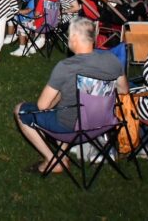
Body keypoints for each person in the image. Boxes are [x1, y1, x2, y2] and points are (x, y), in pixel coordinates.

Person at [14, 18, 127, 174]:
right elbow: (123, 90)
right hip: (103, 123)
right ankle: (62, 155)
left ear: (73, 37)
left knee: (21, 110)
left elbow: (42, 106)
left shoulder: (66, 67)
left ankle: (53, 161)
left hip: (72, 128)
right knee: (70, 105)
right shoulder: (113, 61)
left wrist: (59, 92)